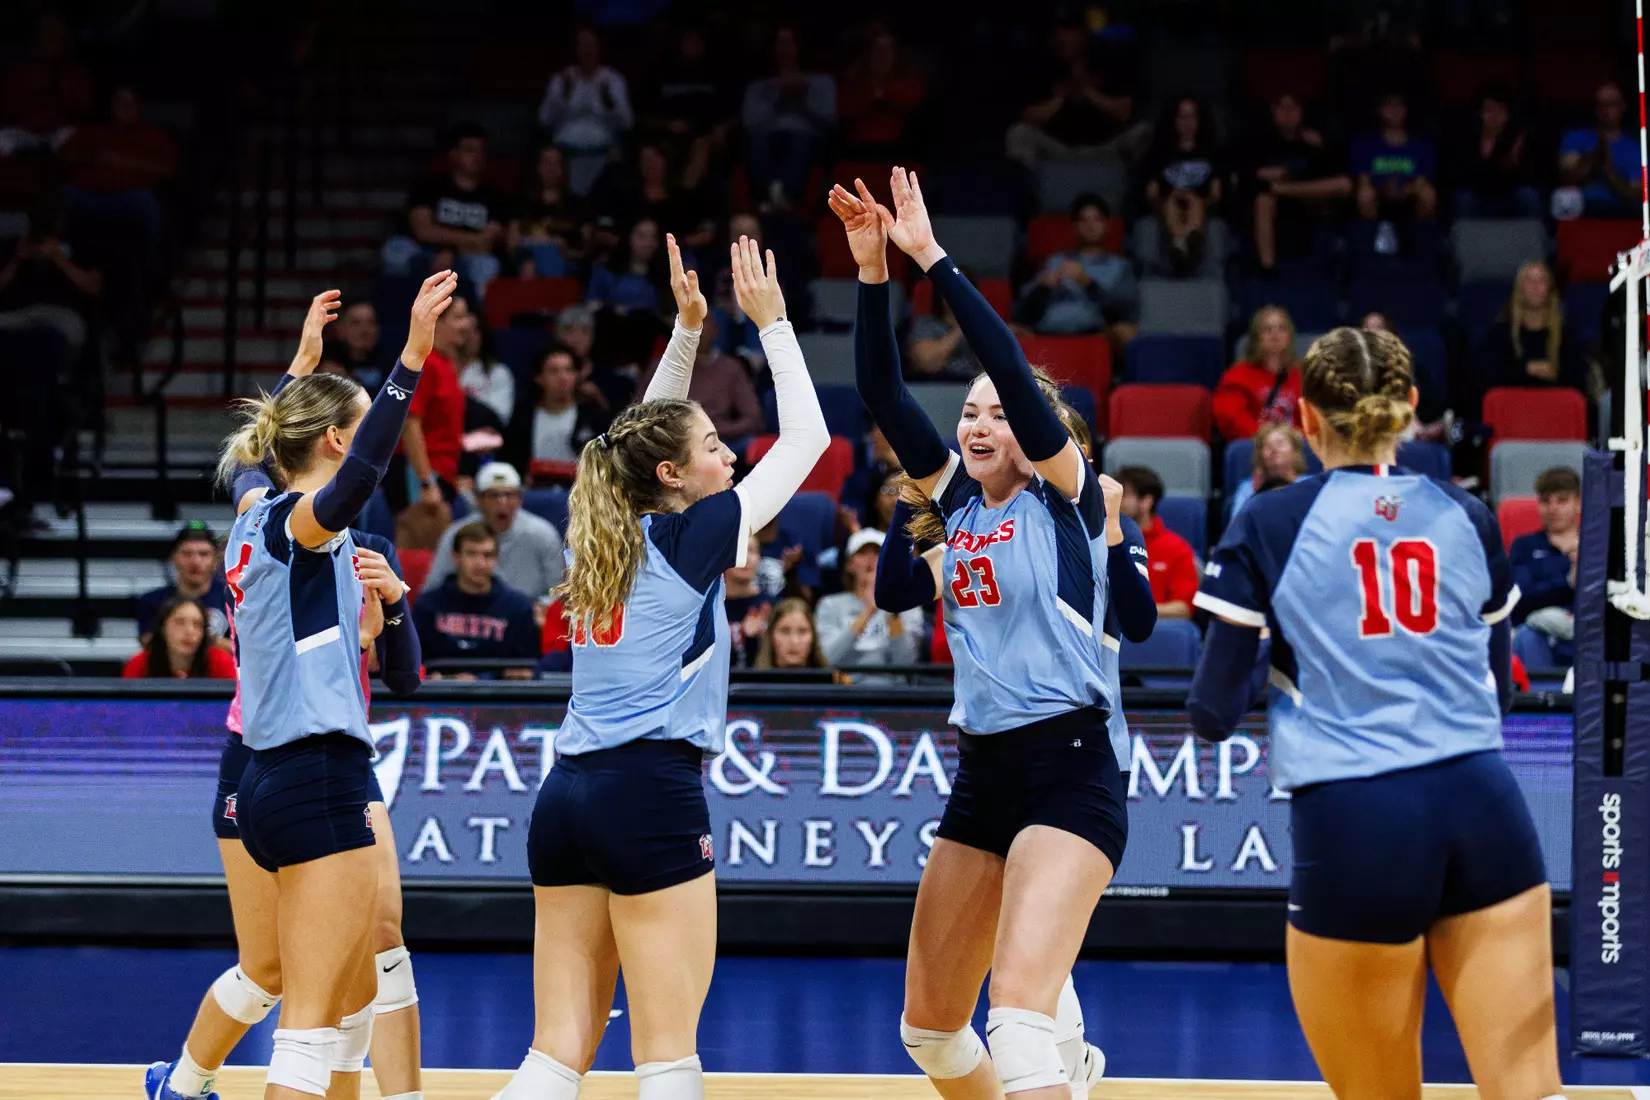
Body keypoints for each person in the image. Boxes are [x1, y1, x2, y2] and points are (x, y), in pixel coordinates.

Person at [831, 168, 1151, 1100]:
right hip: (984, 771)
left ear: (1035, 430)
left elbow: (1012, 368)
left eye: (996, 413)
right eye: (967, 410)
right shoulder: (953, 505)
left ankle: (1056, 1057)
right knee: (930, 1031)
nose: (977, 421)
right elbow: (882, 391)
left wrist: (930, 255)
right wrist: (872, 274)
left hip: (1072, 764)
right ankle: (1062, 1069)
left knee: (1015, 1016)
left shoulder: (1069, 499)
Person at [488, 236, 826, 1100]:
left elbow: (636, 444)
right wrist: (775, 326)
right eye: (717, 447)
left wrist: (685, 333)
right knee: (668, 1057)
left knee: (554, 1055)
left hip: (564, 797)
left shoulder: (597, 528)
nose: (732, 458)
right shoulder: (693, 534)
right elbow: (810, 438)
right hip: (650, 792)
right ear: (676, 477)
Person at [1187, 326, 1559, 1100]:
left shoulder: (1268, 520)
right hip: (1484, 806)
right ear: (1412, 407)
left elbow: (1212, 712)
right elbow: (1505, 689)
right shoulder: (1469, 513)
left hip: (1358, 815)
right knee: (1529, 1092)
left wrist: (1276, 653)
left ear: (1306, 418)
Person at [197, 273, 453, 1100]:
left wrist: (299, 368)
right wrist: (411, 357)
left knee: (337, 1006)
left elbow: (244, 457)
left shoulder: (250, 510)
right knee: (310, 1028)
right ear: (338, 440)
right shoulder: (302, 524)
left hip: (268, 776)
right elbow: (363, 474)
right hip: (316, 773)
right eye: (351, 434)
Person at [59, 84, 178, 279]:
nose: (125, 108)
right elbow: (63, 159)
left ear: (139, 108)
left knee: (148, 205)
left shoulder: (154, 138)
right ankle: (61, 262)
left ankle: (151, 274)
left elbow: (169, 172)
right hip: (88, 196)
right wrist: (92, 156)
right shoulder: (91, 133)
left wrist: (129, 164)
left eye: (130, 104)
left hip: (129, 198)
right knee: (63, 197)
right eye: (120, 103)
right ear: (110, 107)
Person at [1005, 23, 1150, 169]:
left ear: (1084, 35)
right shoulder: (1042, 67)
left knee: (1143, 132)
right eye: (1059, 32)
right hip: (1058, 147)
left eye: (1069, 31)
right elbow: (1028, 116)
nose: (1063, 38)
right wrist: (1060, 97)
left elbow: (1123, 112)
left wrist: (1088, 92)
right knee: (1018, 134)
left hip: (1106, 145)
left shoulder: (1109, 63)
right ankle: (1033, 189)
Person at [425, 462, 564, 616]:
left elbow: (560, 591)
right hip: (471, 616)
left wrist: (541, 607)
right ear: (478, 499)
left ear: (520, 498)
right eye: (494, 495)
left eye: (509, 495)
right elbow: (432, 590)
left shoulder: (543, 534)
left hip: (525, 617)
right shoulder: (457, 534)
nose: (502, 502)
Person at [383, 125, 509, 292]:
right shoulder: (429, 186)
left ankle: (475, 316)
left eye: (481, 151)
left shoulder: (495, 196)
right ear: (453, 154)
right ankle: (396, 311)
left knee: (487, 265)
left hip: (467, 258)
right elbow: (423, 231)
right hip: (426, 253)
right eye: (470, 150)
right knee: (396, 250)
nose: (477, 156)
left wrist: (452, 250)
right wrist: (457, 245)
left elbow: (487, 242)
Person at [413, 521, 542, 679]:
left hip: (499, 699)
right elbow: (414, 663)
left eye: (487, 555)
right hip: (438, 696)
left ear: (496, 559)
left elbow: (525, 671)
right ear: (456, 556)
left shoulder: (518, 608)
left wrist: (483, 679)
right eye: (471, 554)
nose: (480, 564)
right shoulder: (427, 606)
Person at [1244, 91, 1351, 275]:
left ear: (1301, 112)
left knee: (1345, 184)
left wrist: (1322, 147)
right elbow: (1250, 176)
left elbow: (1337, 180)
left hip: (1310, 201)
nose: (1287, 112)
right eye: (1282, 107)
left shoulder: (1315, 143)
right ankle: (1267, 268)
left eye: (1293, 107)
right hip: (1278, 205)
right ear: (1273, 112)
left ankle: (1282, 189)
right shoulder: (1260, 142)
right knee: (1263, 201)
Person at [1016, 193, 1139, 343]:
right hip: (1045, 330)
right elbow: (1022, 312)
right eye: (1083, 220)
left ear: (1106, 225)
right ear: (1074, 227)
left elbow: (1124, 312)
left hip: (1095, 333)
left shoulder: (1118, 266)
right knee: (1007, 331)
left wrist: (1088, 284)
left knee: (1125, 332)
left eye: (1097, 219)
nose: (1090, 226)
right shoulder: (1056, 261)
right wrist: (1041, 288)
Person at [741, 26, 837, 212]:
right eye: (780, 43)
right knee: (755, 143)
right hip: (767, 138)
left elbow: (830, 121)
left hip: (808, 138)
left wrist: (802, 103)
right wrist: (778, 101)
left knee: (800, 142)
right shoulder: (758, 87)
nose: (785, 49)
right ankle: (768, 197)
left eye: (790, 43)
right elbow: (750, 124)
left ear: (800, 47)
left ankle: (786, 198)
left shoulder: (822, 82)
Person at [390, 293, 469, 511]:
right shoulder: (425, 363)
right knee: (420, 543)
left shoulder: (446, 364)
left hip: (442, 472)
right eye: (459, 317)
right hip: (421, 476)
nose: (467, 324)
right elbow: (410, 424)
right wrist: (426, 481)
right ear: (437, 321)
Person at [635, 309, 763, 443]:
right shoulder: (661, 366)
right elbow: (638, 415)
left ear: (715, 330)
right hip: (672, 442)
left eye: (703, 321)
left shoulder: (730, 367)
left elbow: (753, 419)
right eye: (690, 321)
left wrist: (714, 430)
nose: (697, 327)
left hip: (719, 440)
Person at [1473, 260, 1586, 401]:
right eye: (1529, 280)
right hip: (1512, 411)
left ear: (1550, 289)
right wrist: (1528, 369)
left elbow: (1577, 382)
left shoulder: (1566, 335)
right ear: (1519, 290)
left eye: (1541, 280)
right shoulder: (1500, 334)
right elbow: (1487, 378)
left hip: (1554, 411)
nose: (1535, 286)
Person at [1141, 96, 1224, 277]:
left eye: (1192, 117)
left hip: (1200, 205)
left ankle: (1180, 245)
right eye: (1182, 117)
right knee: (1171, 203)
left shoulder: (1212, 153)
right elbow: (1151, 195)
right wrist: (1172, 196)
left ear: (1200, 120)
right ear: (1173, 120)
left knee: (1196, 202)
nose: (1187, 123)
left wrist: (1195, 197)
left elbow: (1217, 195)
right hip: (1168, 205)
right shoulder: (1158, 154)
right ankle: (1187, 241)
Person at [1510, 466, 1581, 666]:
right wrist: (1567, 581)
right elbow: (1521, 597)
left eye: (1562, 500)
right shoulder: (1524, 546)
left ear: (1579, 502)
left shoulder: (1598, 545)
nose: (1553, 508)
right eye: (1545, 501)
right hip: (1538, 633)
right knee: (1527, 637)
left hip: (1587, 635)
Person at [1351, 91, 1437, 254]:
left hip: (1409, 196)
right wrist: (1384, 190)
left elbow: (1421, 182)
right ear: (1380, 110)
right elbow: (1363, 181)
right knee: (1364, 195)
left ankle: (1425, 255)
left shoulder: (1422, 146)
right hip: (1378, 195)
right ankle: (1366, 255)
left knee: (1428, 194)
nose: (1394, 110)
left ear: (1406, 110)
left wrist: (1404, 189)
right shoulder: (1364, 144)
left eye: (1399, 105)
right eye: (1389, 105)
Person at [537, 28, 634, 169]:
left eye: (590, 46)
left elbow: (628, 123)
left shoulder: (613, 80)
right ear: (575, 49)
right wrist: (562, 98)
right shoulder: (561, 79)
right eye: (581, 45)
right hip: (565, 155)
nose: (586, 51)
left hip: (603, 154)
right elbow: (544, 120)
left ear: (599, 49)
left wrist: (609, 105)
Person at [1116, 466, 1200, 619]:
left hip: (1156, 635)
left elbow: (1183, 608)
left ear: (1146, 501)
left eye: (1124, 495)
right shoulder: (1102, 542)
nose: (1117, 501)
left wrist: (1137, 610)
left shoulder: (1176, 548)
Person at [1446, 86, 1540, 220]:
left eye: (1500, 111)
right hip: (1478, 198)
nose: (1495, 117)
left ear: (1507, 115)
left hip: (1509, 198)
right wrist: (1486, 151)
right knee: (1463, 198)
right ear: (1480, 114)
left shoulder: (1517, 138)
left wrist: (1514, 162)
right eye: (1489, 110)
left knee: (1528, 196)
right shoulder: (1467, 138)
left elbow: (1530, 177)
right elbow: (1459, 177)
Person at [1214, 306, 1303, 442]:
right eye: (1267, 330)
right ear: (1256, 338)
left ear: (1290, 336)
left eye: (1282, 329)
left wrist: (1297, 437)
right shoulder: (1237, 375)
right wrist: (1267, 437)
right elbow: (1231, 418)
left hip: (1298, 448)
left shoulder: (1302, 375)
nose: (1275, 336)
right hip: (1254, 446)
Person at [136, 523, 233, 647]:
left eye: (203, 554)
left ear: (215, 560)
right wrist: (211, 640)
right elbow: (149, 644)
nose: (195, 561)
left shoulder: (233, 600)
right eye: (187, 554)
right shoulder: (152, 601)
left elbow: (244, 651)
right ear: (173, 558)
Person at [1557, 80, 1641, 218]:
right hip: (1579, 207)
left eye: (1611, 104)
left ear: (1622, 107)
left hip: (1617, 210)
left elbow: (1636, 193)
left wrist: (1608, 171)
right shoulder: (1574, 138)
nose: (1605, 110)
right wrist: (1593, 160)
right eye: (1600, 104)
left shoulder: (1634, 148)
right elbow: (1567, 178)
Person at [838, 29, 926, 157]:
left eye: (887, 49)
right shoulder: (854, 82)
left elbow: (911, 106)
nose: (882, 55)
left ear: (896, 54)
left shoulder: (909, 81)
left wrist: (886, 97)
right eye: (877, 49)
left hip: (899, 147)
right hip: (858, 148)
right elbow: (846, 108)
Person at [123, 597, 238, 680]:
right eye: (179, 622)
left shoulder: (221, 662)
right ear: (162, 628)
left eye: (197, 624)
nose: (189, 631)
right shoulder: (139, 664)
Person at [1229, 423, 1309, 518]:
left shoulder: (1311, 484)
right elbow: (1236, 528)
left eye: (1279, 443)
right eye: (1268, 446)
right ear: (1260, 455)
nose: (1274, 449)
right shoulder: (1247, 489)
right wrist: (1257, 494)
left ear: (1295, 451)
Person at [723, 531, 771, 668]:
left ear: (760, 557)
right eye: (738, 549)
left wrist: (753, 639)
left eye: (751, 550)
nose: (745, 557)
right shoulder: (710, 607)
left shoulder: (771, 605)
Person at [754, 597, 827, 669]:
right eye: (785, 631)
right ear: (771, 635)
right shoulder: (751, 680)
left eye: (802, 631)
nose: (794, 641)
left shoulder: (833, 679)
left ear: (813, 637)